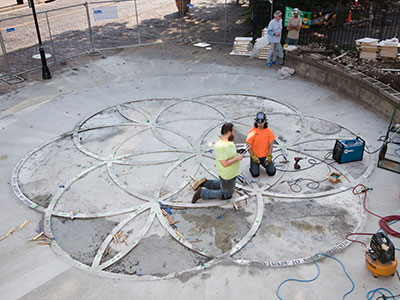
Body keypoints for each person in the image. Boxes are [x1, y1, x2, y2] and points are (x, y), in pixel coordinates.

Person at [192, 123, 243, 203]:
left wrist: (237, 153)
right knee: (226, 194)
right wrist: (237, 158)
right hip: (228, 175)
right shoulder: (220, 146)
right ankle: (203, 193)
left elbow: (229, 154)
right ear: (229, 132)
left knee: (224, 184)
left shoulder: (227, 141)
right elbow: (225, 164)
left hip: (229, 174)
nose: (234, 133)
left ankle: (206, 183)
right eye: (233, 131)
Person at [246, 112, 276, 177]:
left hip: (265, 156)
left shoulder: (269, 132)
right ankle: (253, 167)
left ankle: (269, 165)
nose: (260, 124)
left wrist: (269, 156)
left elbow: (271, 145)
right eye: (259, 123)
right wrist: (253, 156)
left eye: (262, 123)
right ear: (256, 122)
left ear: (265, 122)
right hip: (255, 156)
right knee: (255, 174)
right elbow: (248, 146)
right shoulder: (252, 132)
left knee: (272, 172)